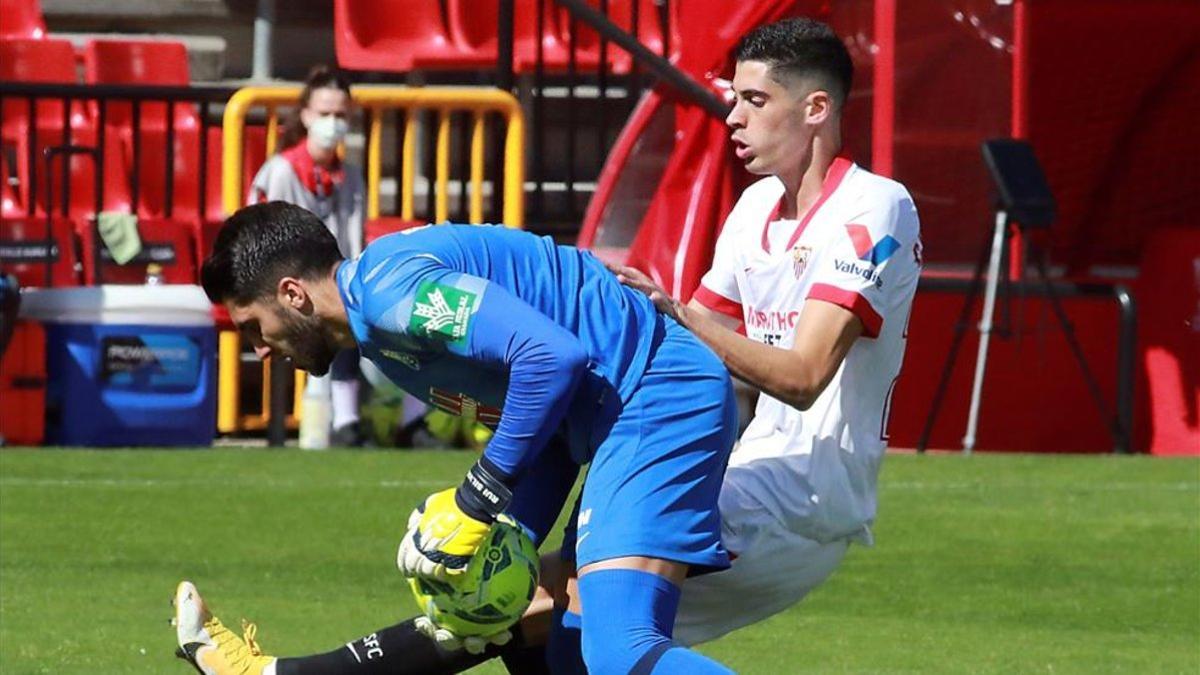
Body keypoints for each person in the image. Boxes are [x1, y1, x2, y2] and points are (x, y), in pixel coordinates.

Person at [171, 15, 922, 674]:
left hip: (799, 492)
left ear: (816, 107)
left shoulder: (871, 208)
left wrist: (478, 498)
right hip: (696, 441)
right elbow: (624, 366)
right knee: (510, 611)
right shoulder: (755, 206)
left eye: (753, 101)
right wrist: (499, 533)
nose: (731, 117)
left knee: (613, 645)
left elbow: (791, 374)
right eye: (733, 98)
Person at [177, 201, 738, 675]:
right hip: (605, 414)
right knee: (534, 632)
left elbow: (551, 360)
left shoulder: (387, 293)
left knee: (619, 650)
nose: (260, 350)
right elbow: (548, 412)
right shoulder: (377, 332)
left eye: (253, 326)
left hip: (656, 391)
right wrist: (497, 545)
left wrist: (478, 499)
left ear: (293, 294)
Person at [248, 65, 369, 447]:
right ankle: (335, 418)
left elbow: (354, 238)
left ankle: (352, 420)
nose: (332, 123)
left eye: (340, 115)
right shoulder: (281, 171)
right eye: (324, 114)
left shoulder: (350, 175)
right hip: (282, 281)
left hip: (336, 279)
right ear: (305, 115)